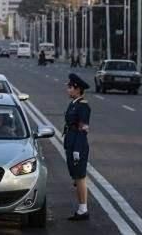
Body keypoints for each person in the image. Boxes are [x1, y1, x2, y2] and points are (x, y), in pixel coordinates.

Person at [63, 73, 91, 221]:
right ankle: (81, 208)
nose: (68, 89)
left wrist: (77, 150)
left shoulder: (83, 107)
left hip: (77, 145)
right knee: (76, 176)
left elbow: (83, 130)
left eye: (70, 87)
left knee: (80, 177)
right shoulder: (74, 104)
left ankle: (83, 209)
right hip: (71, 142)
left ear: (77, 89)